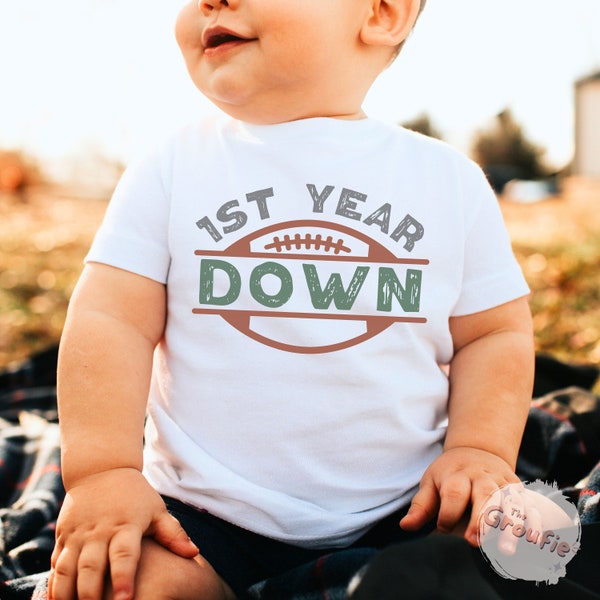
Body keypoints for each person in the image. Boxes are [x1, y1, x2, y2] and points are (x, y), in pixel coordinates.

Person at [48, 0, 535, 598]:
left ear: (382, 13)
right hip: (201, 518)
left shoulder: (447, 181)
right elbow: (110, 319)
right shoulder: (172, 166)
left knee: (504, 561)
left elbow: (494, 333)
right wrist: (103, 472)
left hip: (407, 510)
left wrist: (477, 448)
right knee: (124, 584)